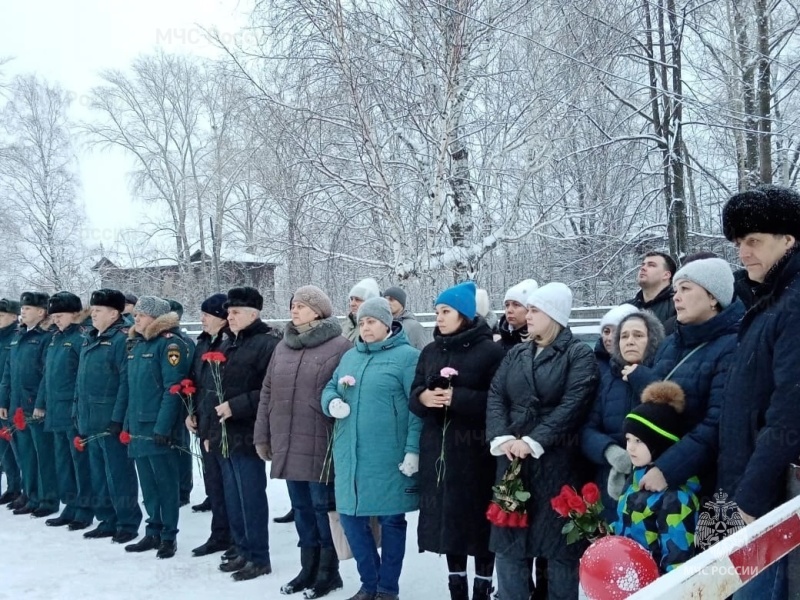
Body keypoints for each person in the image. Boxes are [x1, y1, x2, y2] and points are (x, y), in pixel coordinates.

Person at [486, 282, 599, 600]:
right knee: (509, 546)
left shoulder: (578, 355)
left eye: (535, 310)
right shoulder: (517, 353)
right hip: (512, 466)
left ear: (553, 314)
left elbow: (573, 404)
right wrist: (503, 437)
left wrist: (534, 441)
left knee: (560, 549)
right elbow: (496, 395)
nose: (527, 315)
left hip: (558, 466)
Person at [717, 185, 800, 598]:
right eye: (738, 243)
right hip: (749, 488)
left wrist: (750, 497)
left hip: (770, 500)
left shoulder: (794, 303)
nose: (743, 252)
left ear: (789, 240)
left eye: (754, 241)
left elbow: (791, 407)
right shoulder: (769, 300)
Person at [410, 281, 506, 600]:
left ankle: (482, 587)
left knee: (477, 525)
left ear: (464, 315)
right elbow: (413, 395)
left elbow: (498, 400)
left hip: (475, 453)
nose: (439, 317)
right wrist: (425, 397)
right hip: (438, 450)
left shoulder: (491, 351)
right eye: (437, 311)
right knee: (447, 524)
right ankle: (456, 589)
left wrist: (457, 397)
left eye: (446, 311)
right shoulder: (430, 351)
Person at [322, 297, 422, 600]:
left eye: (372, 321)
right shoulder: (351, 357)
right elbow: (330, 386)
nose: (365, 327)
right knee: (351, 518)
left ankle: (387, 588)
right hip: (350, 454)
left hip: (388, 457)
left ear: (387, 324)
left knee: (392, 520)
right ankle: (370, 582)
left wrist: (413, 450)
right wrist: (332, 402)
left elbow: (417, 409)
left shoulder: (408, 357)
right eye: (362, 322)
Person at [255, 285, 352, 598]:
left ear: (318, 311)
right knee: (300, 509)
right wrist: (262, 435)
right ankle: (306, 568)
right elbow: (267, 392)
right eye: (293, 305)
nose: (293, 310)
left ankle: (328, 572)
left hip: (320, 442)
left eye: (300, 306)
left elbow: (345, 396)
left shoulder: (340, 346)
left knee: (323, 508)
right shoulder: (283, 346)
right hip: (287, 440)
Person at [624, 257, 742, 501]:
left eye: (686, 289)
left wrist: (667, 469)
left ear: (713, 297)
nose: (676, 297)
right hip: (653, 473)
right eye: (676, 290)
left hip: (702, 487)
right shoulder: (670, 343)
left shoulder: (733, 346)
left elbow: (717, 424)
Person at [201, 286, 279, 581]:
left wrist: (237, 406)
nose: (229, 317)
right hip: (223, 433)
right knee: (233, 497)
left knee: (250, 497)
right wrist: (210, 429)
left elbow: (270, 391)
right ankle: (243, 549)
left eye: (235, 312)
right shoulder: (227, 345)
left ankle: (259, 556)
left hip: (247, 432)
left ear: (253, 314)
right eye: (228, 312)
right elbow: (210, 390)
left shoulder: (266, 345)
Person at [122, 297, 190, 559]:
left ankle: (168, 535)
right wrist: (127, 423)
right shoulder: (138, 345)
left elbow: (172, 391)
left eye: (141, 314)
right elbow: (131, 390)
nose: (135, 318)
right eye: (135, 314)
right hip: (138, 426)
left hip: (158, 428)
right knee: (148, 485)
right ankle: (152, 530)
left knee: (165, 484)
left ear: (156, 317)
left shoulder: (170, 344)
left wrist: (163, 427)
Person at [581, 309, 665, 519]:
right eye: (624, 336)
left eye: (638, 335)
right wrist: (609, 451)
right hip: (610, 482)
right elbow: (587, 428)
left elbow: (673, 422)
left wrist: (642, 380)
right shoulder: (607, 380)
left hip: (653, 485)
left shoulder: (664, 375)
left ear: (652, 340)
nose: (629, 341)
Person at [613, 381, 700, 574]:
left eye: (639, 441)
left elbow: (678, 562)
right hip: (630, 578)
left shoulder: (676, 498)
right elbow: (627, 524)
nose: (630, 447)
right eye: (628, 439)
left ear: (659, 444)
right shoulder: (635, 479)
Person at [76, 289, 142, 538]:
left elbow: (126, 383)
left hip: (110, 420)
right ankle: (106, 519)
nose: (92, 315)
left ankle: (127, 522)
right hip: (89, 417)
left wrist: (118, 419)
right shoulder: (90, 337)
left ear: (114, 313)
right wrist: (77, 411)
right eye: (92, 310)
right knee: (99, 473)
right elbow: (80, 380)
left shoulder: (122, 339)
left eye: (98, 311)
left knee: (118, 473)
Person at [39, 292, 93, 529]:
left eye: (60, 316)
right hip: (55, 410)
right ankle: (70, 506)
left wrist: (77, 408)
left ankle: (84, 509)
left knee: (79, 463)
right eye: (54, 316)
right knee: (63, 463)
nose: (57, 320)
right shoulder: (55, 339)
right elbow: (47, 375)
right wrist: (40, 403)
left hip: (73, 412)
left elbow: (83, 379)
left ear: (75, 314)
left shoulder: (81, 339)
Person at [0, 291, 55, 517]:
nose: (23, 311)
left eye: (28, 309)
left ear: (41, 312)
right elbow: (8, 373)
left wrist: (40, 401)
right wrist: (4, 400)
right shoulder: (19, 336)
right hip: (16, 404)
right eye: (22, 308)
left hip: (34, 404)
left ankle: (47, 499)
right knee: (26, 454)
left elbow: (46, 375)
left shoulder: (46, 336)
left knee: (42, 455)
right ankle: (30, 495)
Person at [188, 293, 231, 556]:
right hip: (204, 421)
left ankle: (235, 536)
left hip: (226, 425)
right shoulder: (202, 343)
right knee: (213, 483)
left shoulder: (228, 344)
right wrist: (190, 410)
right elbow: (194, 380)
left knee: (229, 486)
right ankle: (219, 534)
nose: (202, 319)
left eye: (207, 314)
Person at [167, 298, 196, 507]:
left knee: (181, 446)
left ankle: (183, 489)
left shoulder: (180, 341)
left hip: (181, 400)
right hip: (169, 399)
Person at [0, 298, 22, 506]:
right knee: (3, 449)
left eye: (1, 315)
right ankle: (11, 487)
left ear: (14, 317)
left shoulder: (16, 338)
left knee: (13, 447)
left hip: (9, 401)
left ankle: (18, 487)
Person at [626, 251, 677, 332]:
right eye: (643, 265)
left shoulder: (678, 306)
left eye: (651, 265)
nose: (643, 268)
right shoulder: (626, 307)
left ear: (666, 275)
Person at [495, 279, 538, 350]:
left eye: (516, 305)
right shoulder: (497, 346)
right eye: (507, 305)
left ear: (529, 309)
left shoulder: (539, 346)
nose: (509, 310)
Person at [383, 286, 428, 350]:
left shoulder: (413, 326)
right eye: (385, 300)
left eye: (391, 299)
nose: (387, 302)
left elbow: (423, 352)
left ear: (401, 303)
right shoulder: (382, 323)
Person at [341, 278, 380, 343]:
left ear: (369, 302)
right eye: (351, 299)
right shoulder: (346, 325)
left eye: (357, 299)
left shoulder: (375, 328)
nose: (352, 304)